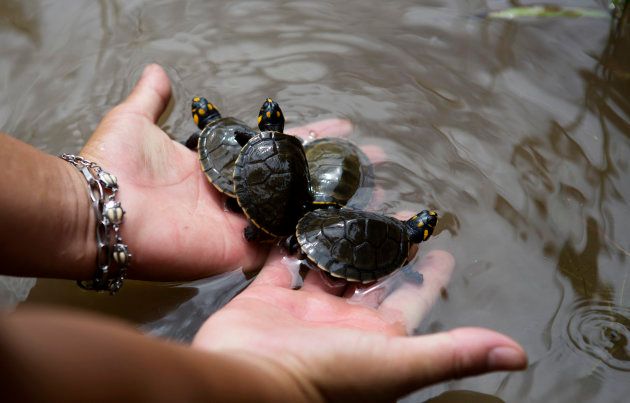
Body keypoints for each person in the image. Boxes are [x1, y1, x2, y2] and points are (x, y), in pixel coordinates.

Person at [0, 64, 527, 402]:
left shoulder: (244, 145)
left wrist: (82, 207)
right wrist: (275, 387)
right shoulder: (390, 238)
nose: (270, 116)